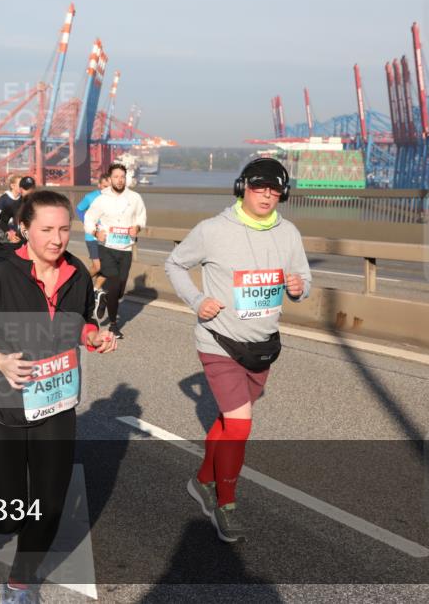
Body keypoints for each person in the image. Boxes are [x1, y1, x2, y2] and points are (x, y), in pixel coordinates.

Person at [0, 190, 117, 602]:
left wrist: (93, 337)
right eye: (47, 229)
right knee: (9, 512)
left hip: (54, 403)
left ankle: (19, 584)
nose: (57, 239)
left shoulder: (76, 272)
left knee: (49, 507)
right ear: (24, 229)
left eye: (64, 229)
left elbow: (78, 322)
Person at [165, 157, 311, 543]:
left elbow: (304, 278)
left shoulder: (289, 233)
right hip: (219, 341)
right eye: (259, 186)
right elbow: (175, 264)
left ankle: (202, 481)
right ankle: (225, 504)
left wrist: (299, 287)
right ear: (242, 187)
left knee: (230, 421)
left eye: (275, 189)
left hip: (262, 345)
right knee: (241, 424)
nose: (266, 195)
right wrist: (198, 300)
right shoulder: (212, 230)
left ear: (283, 194)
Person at [82, 164, 147, 339]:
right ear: (110, 179)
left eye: (122, 177)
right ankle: (113, 325)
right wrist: (95, 232)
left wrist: (137, 227)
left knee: (119, 290)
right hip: (107, 248)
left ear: (126, 179)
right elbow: (89, 218)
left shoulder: (135, 198)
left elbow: (141, 217)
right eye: (116, 177)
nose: (119, 180)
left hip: (126, 249)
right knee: (114, 282)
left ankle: (104, 298)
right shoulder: (101, 199)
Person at [74, 174, 111, 320]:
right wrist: (88, 223)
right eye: (105, 186)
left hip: (108, 238)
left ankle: (94, 290)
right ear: (99, 185)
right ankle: (80, 283)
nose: (108, 189)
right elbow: (79, 209)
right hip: (92, 236)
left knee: (108, 267)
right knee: (97, 266)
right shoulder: (91, 197)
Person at [0, 175, 36, 262]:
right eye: (20, 185)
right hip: (5, 236)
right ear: (13, 186)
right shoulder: (5, 199)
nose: (28, 191)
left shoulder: (30, 201)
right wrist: (11, 225)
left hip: (23, 239)